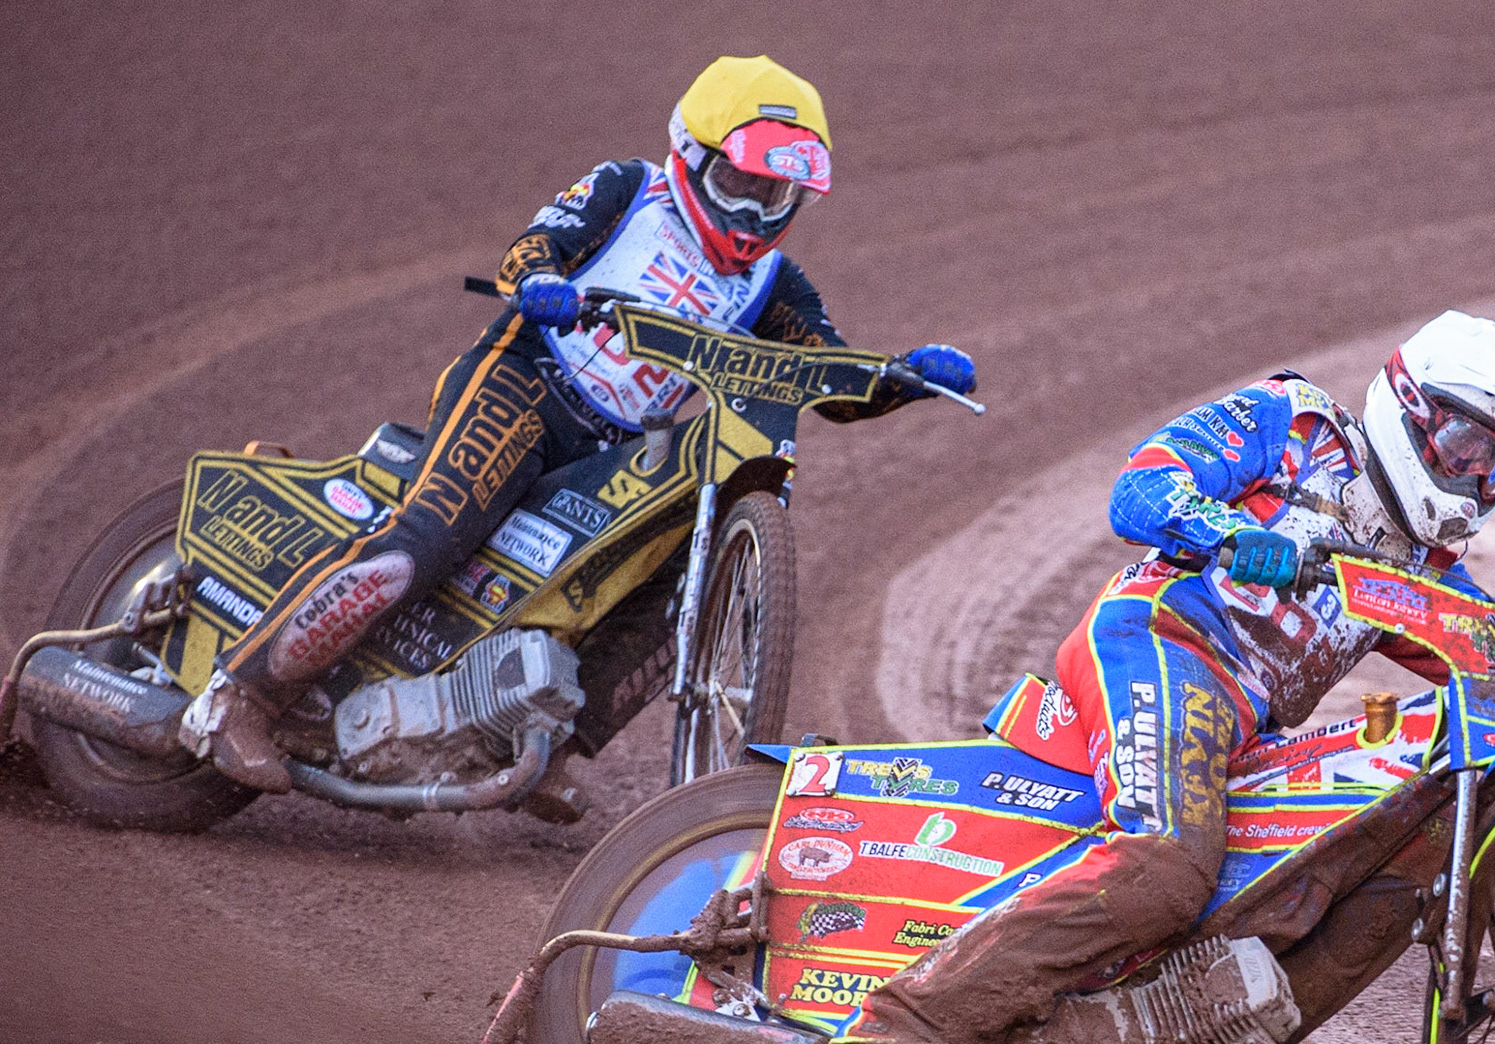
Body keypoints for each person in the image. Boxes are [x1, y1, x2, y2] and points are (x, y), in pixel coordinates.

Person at [835, 310, 1495, 1044]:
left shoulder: (1417, 568)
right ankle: (909, 1023)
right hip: (1164, 639)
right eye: (1467, 443)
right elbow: (1141, 486)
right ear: (1411, 407)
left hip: (1248, 724)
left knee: (1356, 869)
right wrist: (1227, 532)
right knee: (1166, 863)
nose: (1475, 478)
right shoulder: (1295, 425)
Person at [179, 55, 977, 793]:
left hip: (621, 450)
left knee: (667, 590)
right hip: (527, 386)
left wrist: (905, 376)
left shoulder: (775, 281)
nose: (757, 210)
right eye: (740, 183)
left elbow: (828, 377)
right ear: (694, 157)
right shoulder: (628, 192)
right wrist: (543, 283)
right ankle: (238, 698)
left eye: (775, 194)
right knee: (423, 543)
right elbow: (531, 248)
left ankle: (546, 742)